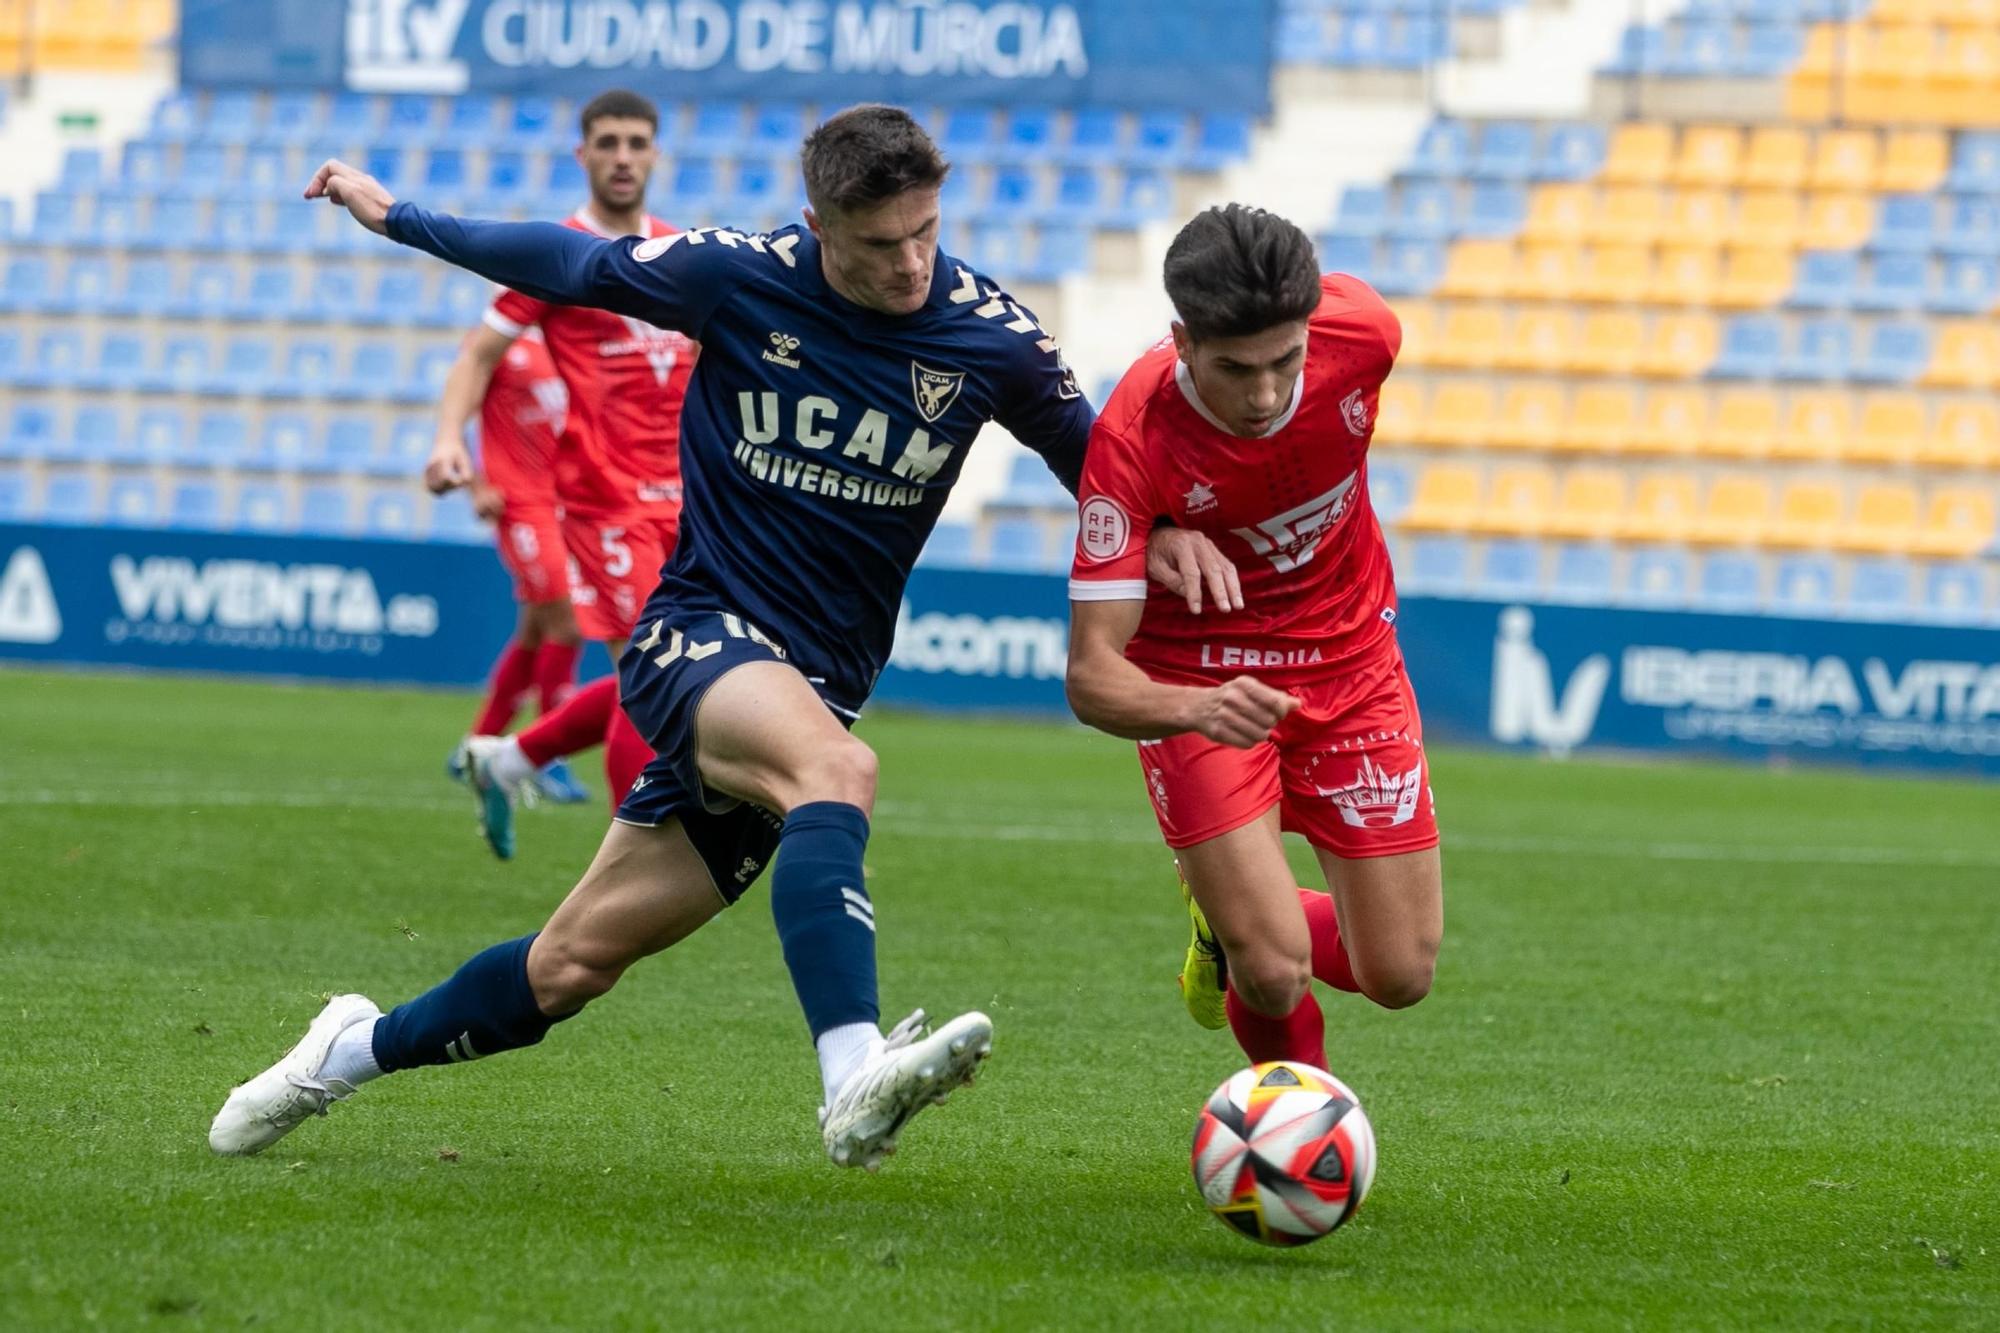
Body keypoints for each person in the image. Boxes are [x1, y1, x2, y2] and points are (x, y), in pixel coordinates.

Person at [210, 105, 1232, 1170]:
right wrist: (402, 219)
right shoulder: (738, 276)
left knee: (563, 971)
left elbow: (1094, 465)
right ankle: (852, 1076)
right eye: (881, 244)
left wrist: (1160, 537)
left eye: (926, 231)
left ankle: (343, 1051)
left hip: (815, 680)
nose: (911, 262)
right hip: (694, 633)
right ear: (816, 225)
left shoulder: (992, 338)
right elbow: (573, 262)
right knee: (837, 771)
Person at [1064, 205, 1443, 1076]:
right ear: (1183, 341)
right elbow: (1091, 676)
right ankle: (1288, 1118)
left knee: (1400, 972)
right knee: (1273, 972)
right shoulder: (1133, 435)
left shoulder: (1368, 333)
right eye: (1236, 369)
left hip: (1353, 666)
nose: (1266, 394)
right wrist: (1198, 706)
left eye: (1287, 360)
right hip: (1199, 681)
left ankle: (1223, 914)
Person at [424, 88, 694, 855]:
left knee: (684, 669)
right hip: (603, 500)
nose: (621, 156)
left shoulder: (680, 253)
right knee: (650, 674)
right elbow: (479, 354)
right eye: (606, 142)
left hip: (688, 505)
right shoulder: (559, 256)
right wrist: (450, 439)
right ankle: (636, 859)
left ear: (653, 153)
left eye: (635, 142)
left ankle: (506, 758)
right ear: (583, 155)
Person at [453, 329, 592, 805]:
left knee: (535, 634)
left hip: (566, 501)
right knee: (569, 625)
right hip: (520, 505)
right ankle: (548, 756)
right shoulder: (496, 339)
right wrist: (476, 484)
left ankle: (475, 746)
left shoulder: (563, 334)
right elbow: (461, 410)